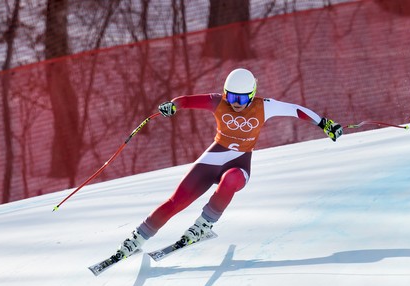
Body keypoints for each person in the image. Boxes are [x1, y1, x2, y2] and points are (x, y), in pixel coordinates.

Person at [114, 68, 343, 259]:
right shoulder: (218, 102)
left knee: (230, 179)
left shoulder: (265, 106)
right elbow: (185, 101)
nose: (236, 103)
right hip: (212, 158)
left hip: (239, 165)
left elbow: (297, 111)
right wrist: (172, 105)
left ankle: (204, 225)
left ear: (252, 95)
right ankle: (139, 236)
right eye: (232, 97)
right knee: (177, 200)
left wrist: (325, 124)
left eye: (242, 99)